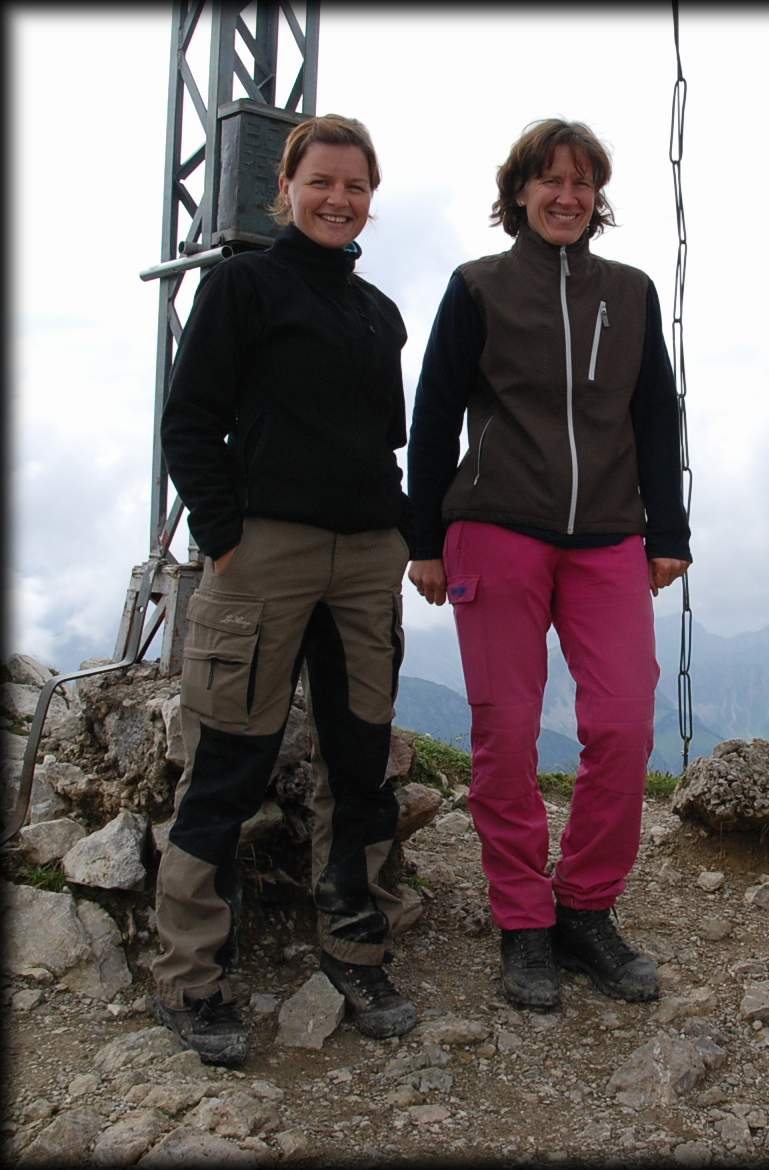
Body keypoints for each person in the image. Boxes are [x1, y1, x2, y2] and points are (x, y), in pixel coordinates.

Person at [407, 118, 690, 1012]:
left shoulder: (632, 293)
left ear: (597, 197)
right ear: (519, 192)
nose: (566, 196)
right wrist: (420, 537)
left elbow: (656, 419)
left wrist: (668, 530)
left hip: (609, 533)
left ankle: (586, 910)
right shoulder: (477, 288)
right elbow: (432, 416)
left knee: (622, 726)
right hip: (495, 528)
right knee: (505, 734)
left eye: (582, 182)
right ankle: (523, 922)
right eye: (549, 180)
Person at [152, 114, 417, 1065]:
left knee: (361, 760)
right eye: (321, 182)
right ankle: (189, 977)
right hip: (262, 555)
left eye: (354, 186)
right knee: (229, 760)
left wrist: (403, 533)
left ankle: (358, 945)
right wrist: (225, 537)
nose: (338, 199)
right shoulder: (242, 286)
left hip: (362, 561)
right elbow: (189, 421)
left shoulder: (378, 312)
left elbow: (381, 444)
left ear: (370, 199)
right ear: (286, 190)